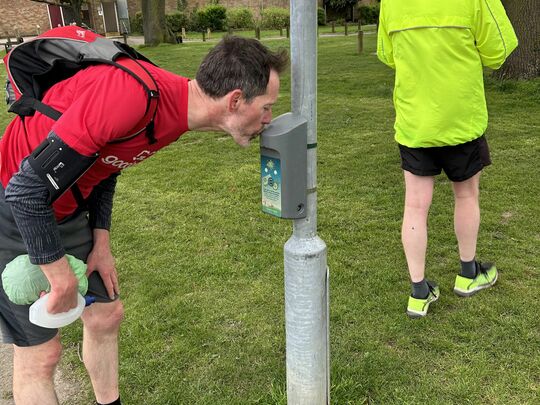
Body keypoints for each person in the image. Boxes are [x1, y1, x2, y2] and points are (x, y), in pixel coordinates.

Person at [0, 35, 288, 405]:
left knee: (106, 316)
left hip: (67, 205)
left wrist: (100, 242)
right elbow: (26, 191)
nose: (269, 119)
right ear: (235, 100)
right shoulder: (131, 95)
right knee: (42, 355)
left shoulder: (175, 112)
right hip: (14, 204)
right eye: (266, 107)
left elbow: (107, 162)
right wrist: (58, 277)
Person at [376, 0, 518, 318]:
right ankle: (468, 273)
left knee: (415, 205)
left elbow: (387, 55)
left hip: (415, 123)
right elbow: (499, 50)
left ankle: (418, 292)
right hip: (461, 121)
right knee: (466, 194)